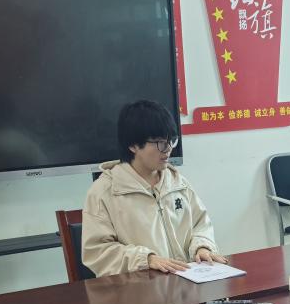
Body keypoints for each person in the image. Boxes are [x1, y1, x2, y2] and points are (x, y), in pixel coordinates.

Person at [82, 100, 226, 276]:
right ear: (133, 145)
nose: (168, 149)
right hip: (140, 287)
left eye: (171, 141)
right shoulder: (105, 192)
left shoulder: (178, 183)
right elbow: (97, 252)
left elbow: (201, 224)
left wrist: (202, 247)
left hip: (187, 281)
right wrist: (146, 259)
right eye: (160, 143)